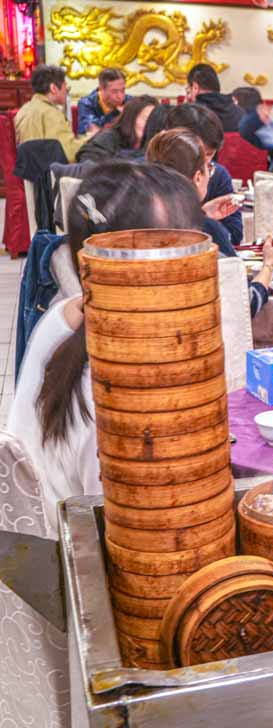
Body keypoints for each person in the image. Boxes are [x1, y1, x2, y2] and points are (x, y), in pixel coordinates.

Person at [8, 162, 209, 538]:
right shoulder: (113, 389)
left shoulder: (65, 316)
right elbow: (138, 528)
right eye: (180, 245)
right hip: (86, 553)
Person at [145, 128, 273, 316]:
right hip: (198, 336)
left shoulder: (137, 223)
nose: (211, 172)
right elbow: (245, 303)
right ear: (198, 177)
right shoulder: (206, 233)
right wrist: (269, 263)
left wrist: (201, 214)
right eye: (208, 166)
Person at [157, 103, 243, 244]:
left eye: (209, 154)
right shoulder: (145, 177)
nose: (204, 162)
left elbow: (234, 236)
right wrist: (200, 218)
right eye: (198, 152)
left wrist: (203, 217)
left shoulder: (217, 175)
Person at [15, 65, 94, 161]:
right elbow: (68, 154)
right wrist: (90, 137)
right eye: (66, 88)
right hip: (50, 173)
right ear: (53, 88)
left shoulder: (24, 109)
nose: (66, 92)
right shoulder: (51, 114)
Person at [76, 95, 157, 163]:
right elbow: (88, 166)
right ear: (131, 118)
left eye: (154, 120)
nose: (150, 124)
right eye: (146, 119)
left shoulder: (152, 143)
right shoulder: (107, 138)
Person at [185, 63, 244, 133]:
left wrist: (184, 108)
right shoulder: (240, 112)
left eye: (189, 88)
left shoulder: (191, 116)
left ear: (195, 87)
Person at [76, 68, 128, 135]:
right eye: (114, 91)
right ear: (101, 89)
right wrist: (115, 113)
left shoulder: (130, 101)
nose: (120, 96)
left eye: (122, 90)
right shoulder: (86, 103)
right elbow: (88, 130)